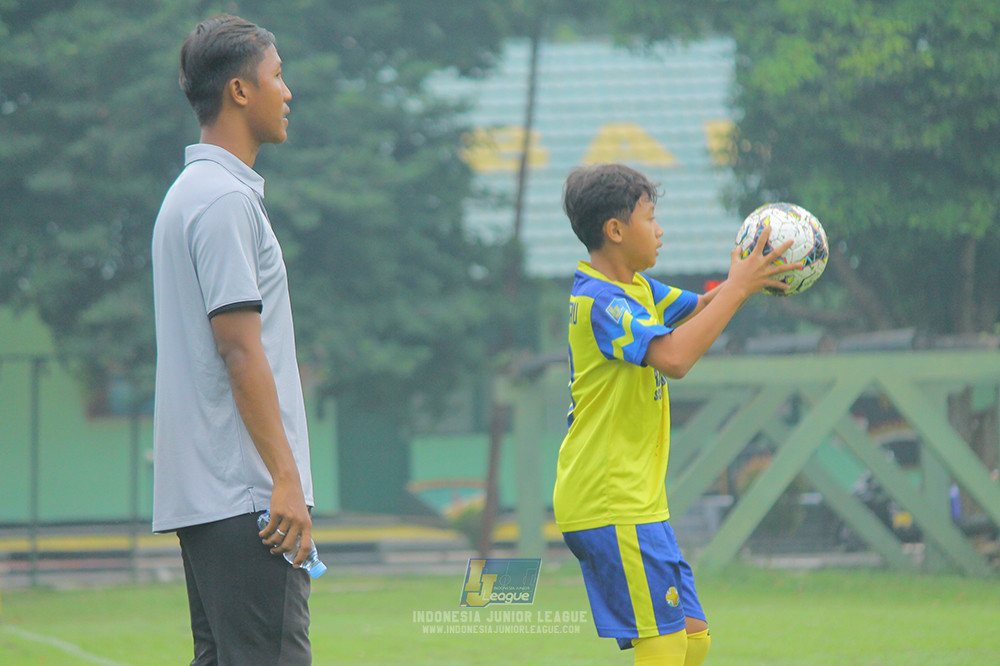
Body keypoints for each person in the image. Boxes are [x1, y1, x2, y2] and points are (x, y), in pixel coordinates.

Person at [552, 163, 798, 665]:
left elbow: (705, 307)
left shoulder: (638, 290)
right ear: (615, 230)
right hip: (608, 496)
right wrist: (738, 287)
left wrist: (743, 277)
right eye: (650, 218)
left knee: (691, 638)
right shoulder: (602, 301)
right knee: (663, 643)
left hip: (637, 500)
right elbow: (674, 358)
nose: (660, 230)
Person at [151, 14, 314, 665]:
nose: (288, 91)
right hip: (248, 498)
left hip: (214, 497)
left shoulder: (192, 194)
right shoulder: (222, 202)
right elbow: (240, 349)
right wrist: (283, 477)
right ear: (240, 91)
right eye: (277, 75)